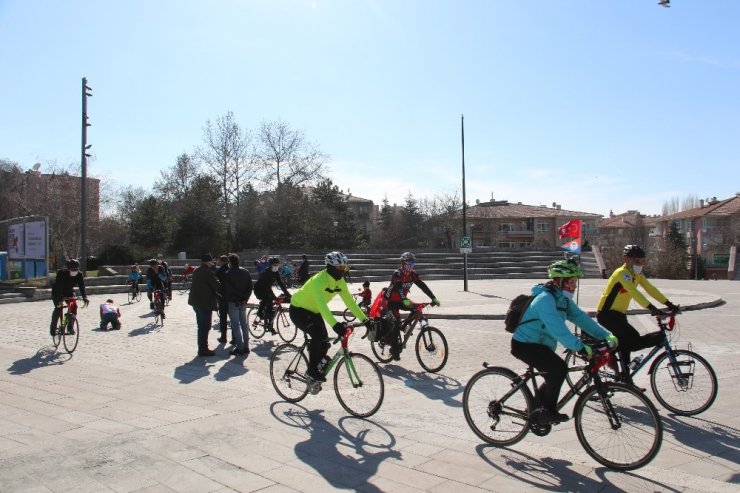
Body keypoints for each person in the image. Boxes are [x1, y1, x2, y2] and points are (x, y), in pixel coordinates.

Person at [511, 259, 618, 424]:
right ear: (559, 281)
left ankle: (535, 410)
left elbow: (582, 319)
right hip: (524, 344)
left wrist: (605, 335)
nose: (574, 286)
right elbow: (558, 329)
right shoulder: (545, 300)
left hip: (540, 345)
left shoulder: (563, 300)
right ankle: (547, 412)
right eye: (572, 282)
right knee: (558, 369)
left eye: (576, 282)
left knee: (554, 372)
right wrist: (579, 347)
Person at [596, 245, 679, 383]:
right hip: (607, 314)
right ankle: (609, 361)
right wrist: (651, 308)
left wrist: (668, 304)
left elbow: (650, 289)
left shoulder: (637, 275)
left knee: (628, 342)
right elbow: (635, 293)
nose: (640, 264)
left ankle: (624, 376)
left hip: (619, 315)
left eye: (642, 261)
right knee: (631, 340)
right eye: (637, 261)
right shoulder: (621, 273)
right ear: (627, 259)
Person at [289, 251, 369, 389]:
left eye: (345, 268)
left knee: (325, 342)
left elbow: (350, 302)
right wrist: (335, 325)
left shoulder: (340, 281)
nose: (343, 271)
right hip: (298, 310)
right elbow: (322, 305)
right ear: (330, 267)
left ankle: (316, 365)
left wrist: (365, 320)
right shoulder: (318, 281)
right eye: (340, 268)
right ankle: (312, 370)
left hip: (313, 311)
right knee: (318, 336)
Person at [383, 252, 440, 360]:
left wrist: (433, 297)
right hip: (391, 301)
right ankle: (394, 350)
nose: (410, 266)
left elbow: (422, 286)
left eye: (412, 263)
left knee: (416, 310)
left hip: (402, 300)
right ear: (403, 263)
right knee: (396, 322)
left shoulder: (412, 274)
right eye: (408, 263)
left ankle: (404, 327)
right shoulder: (397, 273)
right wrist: (404, 299)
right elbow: (399, 288)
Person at [188, 254, 221, 357]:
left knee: (200, 326)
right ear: (208, 262)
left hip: (196, 302)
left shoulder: (197, 270)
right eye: (211, 261)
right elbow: (217, 286)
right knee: (205, 327)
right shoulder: (207, 272)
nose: (213, 263)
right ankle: (203, 349)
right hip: (205, 303)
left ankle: (201, 347)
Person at [224, 253, 253, 356]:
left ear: (230, 262)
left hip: (233, 302)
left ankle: (239, 347)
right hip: (243, 302)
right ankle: (246, 346)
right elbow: (250, 287)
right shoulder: (246, 272)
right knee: (244, 324)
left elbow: (228, 289)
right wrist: (245, 298)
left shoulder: (228, 273)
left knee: (235, 325)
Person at [50, 259, 89, 335]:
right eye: (73, 269)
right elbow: (58, 286)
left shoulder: (79, 274)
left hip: (69, 291)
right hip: (57, 292)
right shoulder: (61, 273)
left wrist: (85, 297)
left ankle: (70, 327)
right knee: (59, 308)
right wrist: (60, 299)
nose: (75, 271)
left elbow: (82, 286)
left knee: (73, 307)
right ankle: (53, 328)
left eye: (76, 269)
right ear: (68, 269)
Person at [253, 257, 291, 335]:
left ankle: (270, 326)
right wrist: (274, 297)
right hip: (259, 290)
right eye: (274, 264)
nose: (276, 266)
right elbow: (267, 287)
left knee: (271, 310)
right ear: (270, 265)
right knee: (267, 298)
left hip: (267, 289)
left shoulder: (276, 272)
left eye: (277, 264)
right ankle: (259, 312)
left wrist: (288, 294)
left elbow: (281, 284)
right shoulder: (266, 273)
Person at [215, 255, 230, 343]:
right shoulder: (230, 270)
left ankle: (223, 337)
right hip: (231, 296)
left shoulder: (220, 270)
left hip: (222, 296)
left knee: (223, 317)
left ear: (221, 261)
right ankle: (234, 338)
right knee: (232, 318)